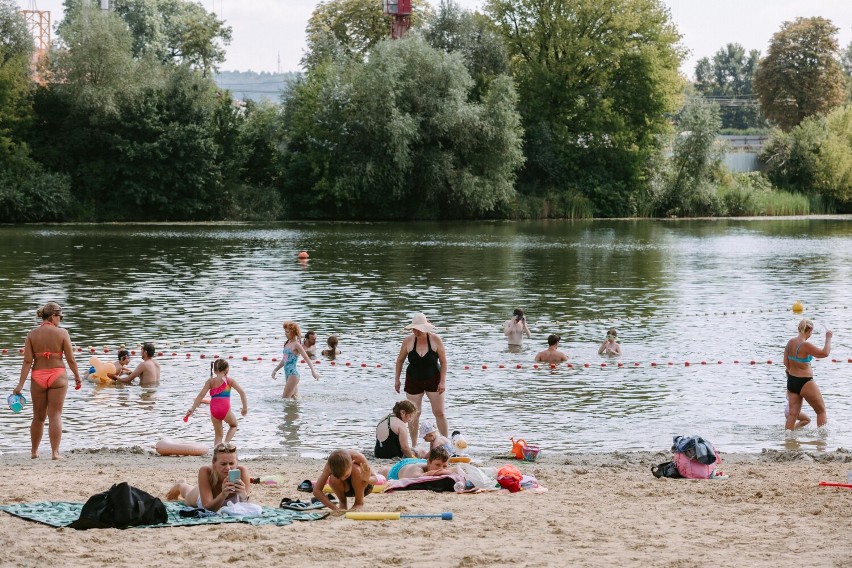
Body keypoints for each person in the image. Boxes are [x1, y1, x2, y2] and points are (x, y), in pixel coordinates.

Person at [13, 302, 81, 460]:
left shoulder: (32, 334)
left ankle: (34, 452)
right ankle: (55, 453)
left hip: (37, 376)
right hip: (57, 375)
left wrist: (20, 384)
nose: (61, 320)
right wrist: (77, 376)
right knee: (55, 415)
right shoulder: (62, 333)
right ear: (52, 316)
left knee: (38, 416)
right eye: (60, 317)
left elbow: (27, 362)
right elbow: (70, 359)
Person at [394, 313, 449, 444]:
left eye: (418, 329)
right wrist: (397, 379)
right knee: (413, 414)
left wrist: (442, 381)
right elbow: (400, 360)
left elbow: (444, 362)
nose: (416, 331)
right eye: (414, 329)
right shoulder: (408, 341)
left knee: (439, 412)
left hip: (433, 379)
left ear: (425, 327)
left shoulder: (435, 339)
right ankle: (413, 445)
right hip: (413, 379)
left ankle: (446, 443)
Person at [166, 442, 250, 512]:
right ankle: (180, 484)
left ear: (237, 462)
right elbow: (207, 508)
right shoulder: (206, 471)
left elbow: (247, 505)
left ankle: (182, 484)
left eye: (231, 463)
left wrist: (244, 495)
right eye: (223, 464)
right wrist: (223, 495)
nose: (228, 468)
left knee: (191, 489)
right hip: (200, 498)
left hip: (208, 493)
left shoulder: (242, 471)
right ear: (214, 462)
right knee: (187, 493)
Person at [784, 319, 832, 436]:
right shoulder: (805, 345)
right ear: (809, 330)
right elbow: (825, 353)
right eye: (811, 332)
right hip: (805, 382)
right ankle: (821, 441)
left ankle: (788, 442)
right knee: (821, 411)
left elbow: (785, 362)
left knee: (792, 415)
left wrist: (794, 371)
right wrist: (828, 338)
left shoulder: (790, 343)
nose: (811, 335)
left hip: (792, 381)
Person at [186, 359, 249, 446]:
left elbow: (201, 396)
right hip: (225, 410)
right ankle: (226, 443)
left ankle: (216, 453)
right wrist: (245, 408)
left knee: (218, 435)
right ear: (227, 370)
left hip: (214, 410)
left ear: (214, 370)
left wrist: (192, 409)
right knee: (234, 425)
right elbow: (242, 392)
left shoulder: (210, 381)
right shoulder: (230, 381)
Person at [312, 449, 377, 516]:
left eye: (346, 475)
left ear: (352, 462)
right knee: (333, 477)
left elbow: (375, 479)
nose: (342, 478)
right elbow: (316, 491)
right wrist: (335, 508)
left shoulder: (358, 457)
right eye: (340, 477)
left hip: (364, 488)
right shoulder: (330, 465)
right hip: (346, 490)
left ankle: (358, 503)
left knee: (356, 469)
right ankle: (343, 503)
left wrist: (367, 478)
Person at [271, 321, 320, 398]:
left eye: (287, 332)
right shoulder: (286, 343)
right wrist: (275, 370)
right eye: (285, 332)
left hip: (293, 375)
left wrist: (313, 371)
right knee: (294, 400)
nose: (285, 334)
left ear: (293, 332)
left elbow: (306, 358)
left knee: (284, 399)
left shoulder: (297, 345)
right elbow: (284, 360)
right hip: (287, 374)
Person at [382, 447, 453, 480]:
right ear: (429, 462)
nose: (441, 469)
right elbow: (418, 477)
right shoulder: (416, 470)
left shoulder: (432, 463)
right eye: (438, 465)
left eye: (445, 466)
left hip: (418, 461)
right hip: (399, 468)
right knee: (385, 471)